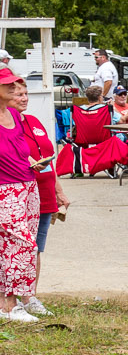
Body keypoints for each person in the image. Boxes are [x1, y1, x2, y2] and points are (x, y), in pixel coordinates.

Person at [5, 71, 66, 317]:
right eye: (15, 92)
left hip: (36, 190)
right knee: (17, 245)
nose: (23, 97)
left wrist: (57, 189)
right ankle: (9, 303)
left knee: (33, 247)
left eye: (24, 92)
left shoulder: (25, 119)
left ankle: (27, 298)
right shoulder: (8, 122)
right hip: (10, 191)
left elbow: (36, 154)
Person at [0, 68, 44, 324]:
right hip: (5, 188)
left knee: (15, 245)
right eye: (7, 84)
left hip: (27, 184)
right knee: (21, 244)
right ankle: (10, 305)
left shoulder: (15, 115)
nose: (13, 88)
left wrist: (32, 162)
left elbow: (18, 147)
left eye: (14, 83)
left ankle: (14, 302)